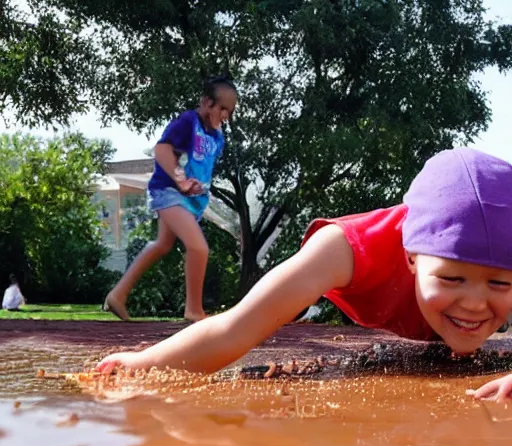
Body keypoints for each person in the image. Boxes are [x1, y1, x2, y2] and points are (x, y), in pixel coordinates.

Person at [96, 148, 512, 376]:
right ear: (410, 258)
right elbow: (234, 329)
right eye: (453, 277)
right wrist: (139, 365)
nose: (476, 303)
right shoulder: (345, 250)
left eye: (500, 284)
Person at [103, 76, 238, 322]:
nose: (225, 116)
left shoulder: (217, 137)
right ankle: (194, 310)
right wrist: (180, 180)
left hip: (190, 200)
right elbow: (162, 149)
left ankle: (117, 295)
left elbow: (201, 165)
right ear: (206, 102)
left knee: (162, 245)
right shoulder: (188, 122)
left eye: (229, 111)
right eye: (221, 108)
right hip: (169, 192)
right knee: (198, 248)